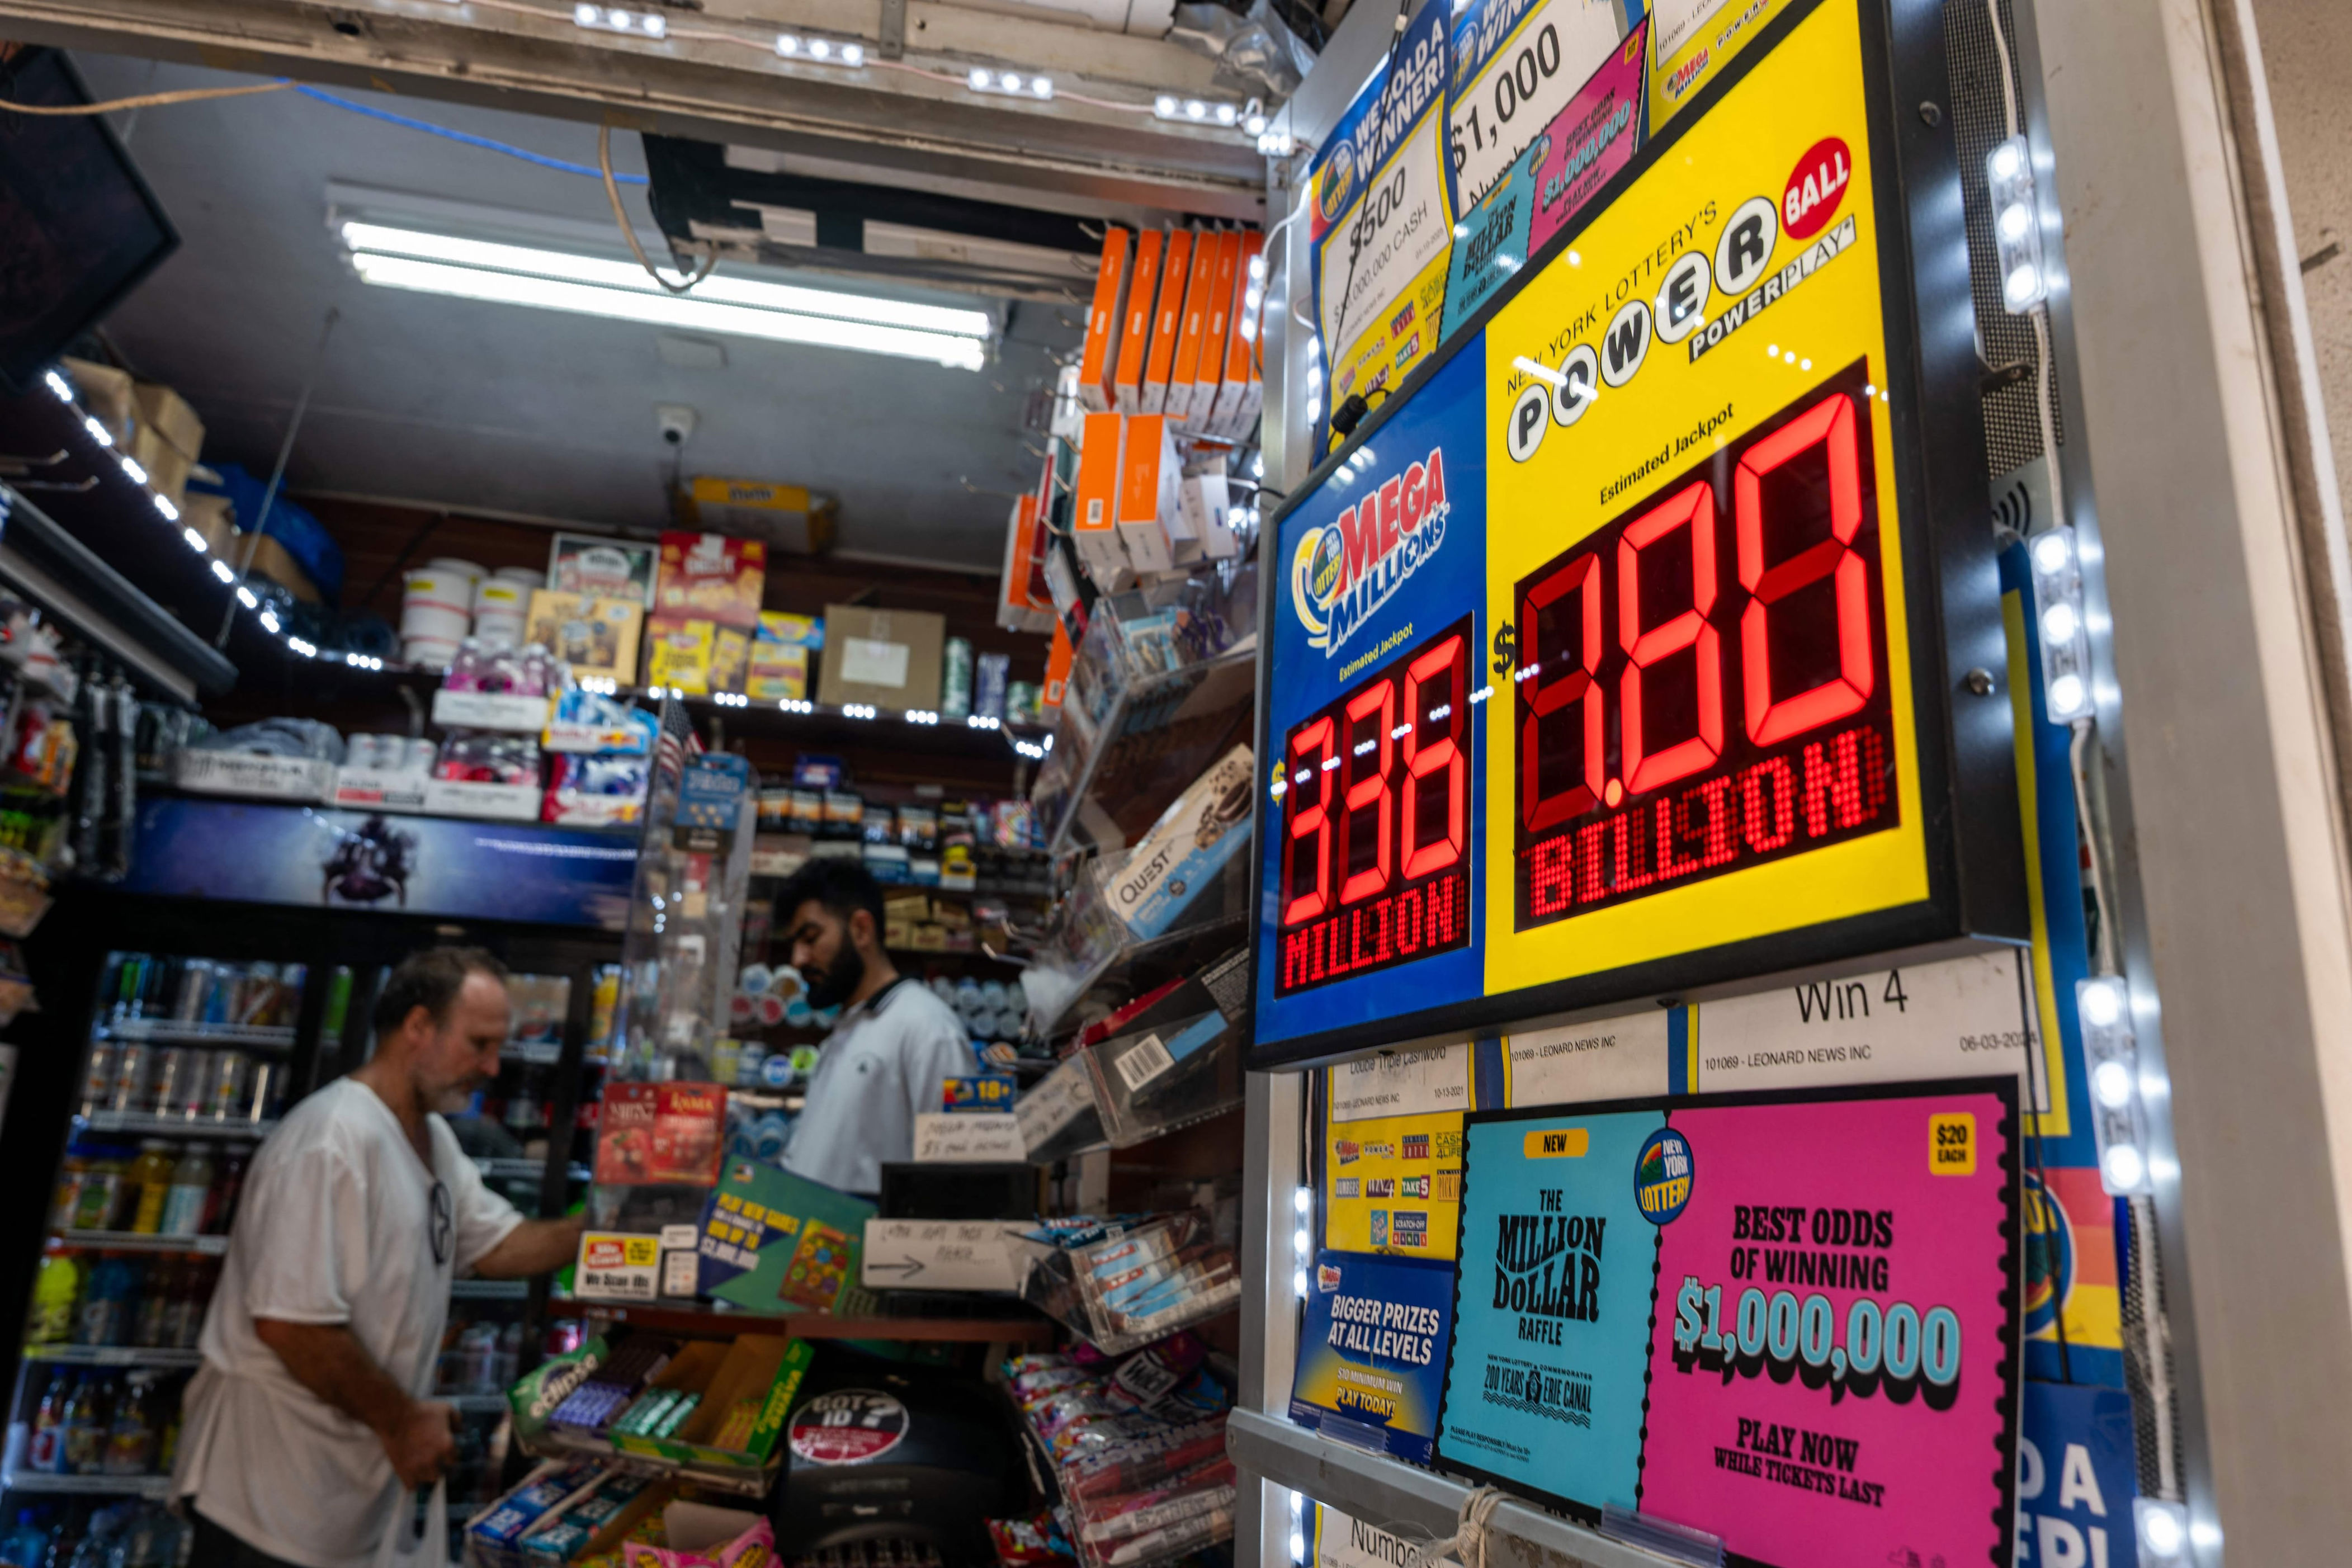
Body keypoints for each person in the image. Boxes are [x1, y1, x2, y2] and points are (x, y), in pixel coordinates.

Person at [172, 947, 586, 1568]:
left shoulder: (432, 1137)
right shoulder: (330, 1140)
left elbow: (498, 1244)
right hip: (268, 1495)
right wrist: (402, 1421)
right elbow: (291, 1325)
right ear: (418, 1026)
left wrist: (610, 1223)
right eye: (479, 1043)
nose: (492, 1066)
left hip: (340, 1495)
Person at [776, 858, 976, 1197]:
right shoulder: (845, 1030)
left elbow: (956, 1178)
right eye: (794, 944)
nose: (798, 960)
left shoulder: (928, 1028)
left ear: (861, 930)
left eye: (810, 938)